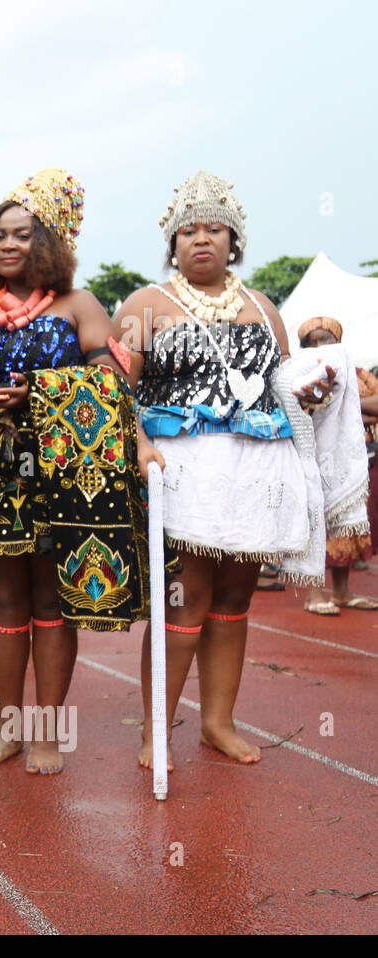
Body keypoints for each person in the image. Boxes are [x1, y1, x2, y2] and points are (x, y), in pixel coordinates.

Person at [0, 168, 137, 775]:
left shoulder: (79, 305)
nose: (10, 245)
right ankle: (7, 727)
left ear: (46, 243)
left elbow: (111, 381)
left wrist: (39, 394)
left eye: (23, 234)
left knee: (52, 602)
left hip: (62, 469)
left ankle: (47, 734)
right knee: (3, 602)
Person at [115, 171, 316, 768]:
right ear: (173, 244)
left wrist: (316, 391)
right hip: (182, 473)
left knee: (234, 597)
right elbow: (115, 389)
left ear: (234, 241)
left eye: (215, 229)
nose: (201, 239)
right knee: (185, 598)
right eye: (188, 231)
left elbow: (284, 389)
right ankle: (156, 731)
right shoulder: (145, 305)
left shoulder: (264, 309)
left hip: (257, 471)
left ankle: (218, 724)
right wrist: (142, 442)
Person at [295, 317, 376, 614]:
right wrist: (352, 409)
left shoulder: (358, 375)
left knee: (344, 525)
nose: (318, 346)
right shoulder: (297, 373)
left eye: (325, 340)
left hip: (350, 462)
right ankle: (314, 595)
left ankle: (341, 592)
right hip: (309, 460)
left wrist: (346, 404)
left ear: (337, 342)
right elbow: (302, 408)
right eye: (311, 342)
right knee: (314, 525)